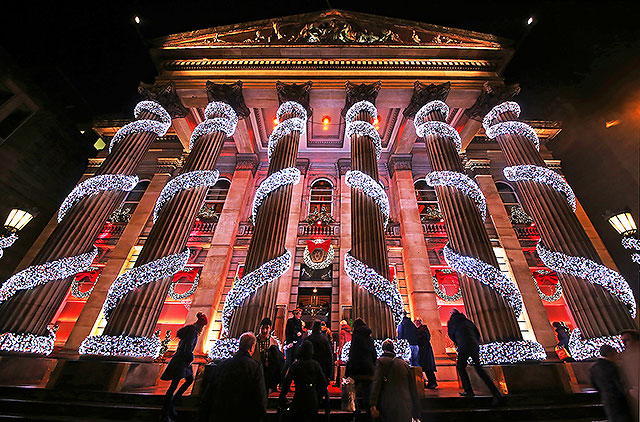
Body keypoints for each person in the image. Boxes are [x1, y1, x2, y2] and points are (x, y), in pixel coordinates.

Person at [160, 312, 208, 422]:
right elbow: (188, 347)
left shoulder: (189, 330)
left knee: (184, 381)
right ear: (200, 324)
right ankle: (167, 410)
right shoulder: (192, 331)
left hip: (180, 359)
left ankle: (171, 405)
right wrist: (190, 358)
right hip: (182, 360)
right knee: (174, 385)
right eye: (203, 325)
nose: (202, 327)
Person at [209, 332, 267, 422]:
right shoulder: (255, 367)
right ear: (252, 347)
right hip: (244, 415)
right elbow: (260, 397)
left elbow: (210, 390)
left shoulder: (223, 364)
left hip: (222, 414)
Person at [447, 309, 502, 403]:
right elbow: (477, 333)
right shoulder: (467, 321)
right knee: (479, 369)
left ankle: (468, 390)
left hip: (463, 345)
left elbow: (451, 334)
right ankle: (495, 392)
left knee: (460, 367)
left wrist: (457, 342)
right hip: (474, 345)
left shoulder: (452, 321)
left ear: (452, 314)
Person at [279, 340, 330, 422]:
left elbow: (286, 382)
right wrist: (321, 397)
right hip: (312, 396)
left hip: (299, 395)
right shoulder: (315, 365)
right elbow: (323, 383)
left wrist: (282, 397)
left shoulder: (296, 365)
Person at [370, 340, 420, 422]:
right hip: (405, 404)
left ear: (383, 349)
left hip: (388, 403)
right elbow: (413, 388)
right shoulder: (404, 364)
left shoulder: (381, 362)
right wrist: (416, 411)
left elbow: (376, 383)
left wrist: (373, 403)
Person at [589, 345, 633, 422]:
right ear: (610, 354)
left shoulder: (593, 368)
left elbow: (594, 385)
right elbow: (621, 385)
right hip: (620, 402)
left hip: (607, 400)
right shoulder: (613, 367)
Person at [346, 318, 377, 421]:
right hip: (368, 370)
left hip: (358, 369)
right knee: (367, 394)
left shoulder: (356, 337)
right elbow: (374, 355)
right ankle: (369, 416)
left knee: (354, 395)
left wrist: (348, 370)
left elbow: (353, 354)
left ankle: (357, 415)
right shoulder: (370, 338)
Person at [252, 317, 284, 394]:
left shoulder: (274, 342)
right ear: (259, 328)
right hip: (255, 371)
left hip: (268, 374)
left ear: (270, 329)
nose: (264, 331)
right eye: (263, 328)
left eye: (267, 328)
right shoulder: (253, 341)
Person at [619, 329, 639, 421]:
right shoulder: (623, 358)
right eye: (622, 341)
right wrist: (629, 390)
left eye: (627, 340)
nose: (624, 344)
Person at [415, 317, 437, 389]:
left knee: (427, 368)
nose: (416, 322)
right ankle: (430, 382)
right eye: (416, 321)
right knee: (426, 367)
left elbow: (425, 338)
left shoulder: (422, 329)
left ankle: (432, 382)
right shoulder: (421, 329)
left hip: (424, 350)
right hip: (423, 350)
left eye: (417, 321)